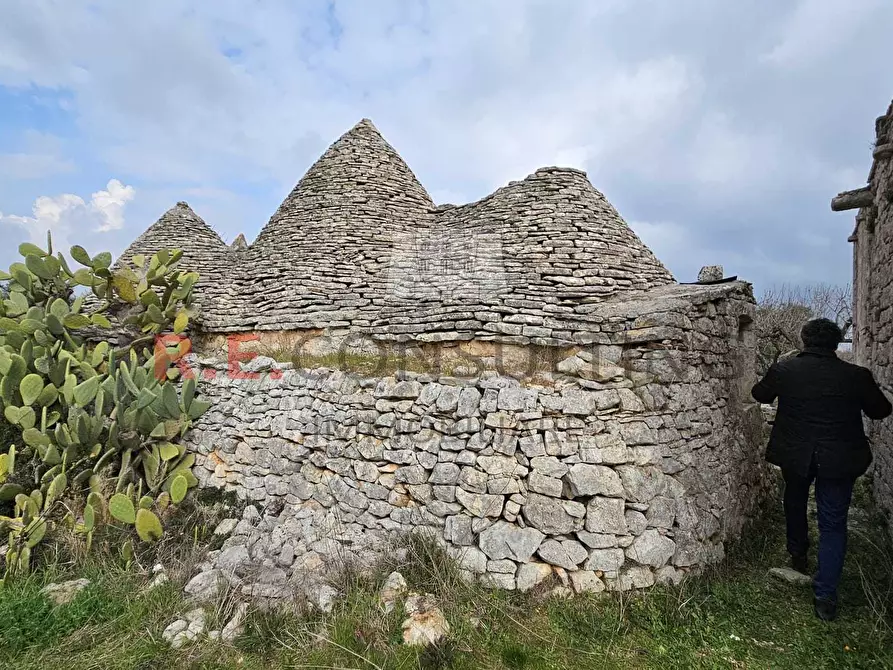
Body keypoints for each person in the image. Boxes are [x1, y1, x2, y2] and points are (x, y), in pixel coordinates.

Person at [751, 318, 891, 621]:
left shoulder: (785, 370)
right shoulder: (856, 375)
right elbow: (881, 410)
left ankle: (798, 554)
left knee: (795, 500)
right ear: (837, 343)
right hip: (840, 457)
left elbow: (760, 395)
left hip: (796, 452)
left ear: (804, 340)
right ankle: (825, 596)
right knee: (833, 522)